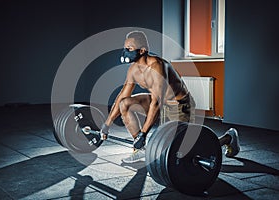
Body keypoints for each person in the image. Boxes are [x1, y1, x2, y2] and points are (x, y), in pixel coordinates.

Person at [100, 30, 240, 163]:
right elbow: (121, 97)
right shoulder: (133, 70)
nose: (125, 52)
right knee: (125, 103)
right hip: (160, 101)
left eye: (129, 49)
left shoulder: (157, 67)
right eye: (124, 48)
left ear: (142, 51)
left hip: (179, 106)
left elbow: (156, 103)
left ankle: (228, 138)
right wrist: (107, 124)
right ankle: (140, 148)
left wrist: (144, 134)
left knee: (184, 151)